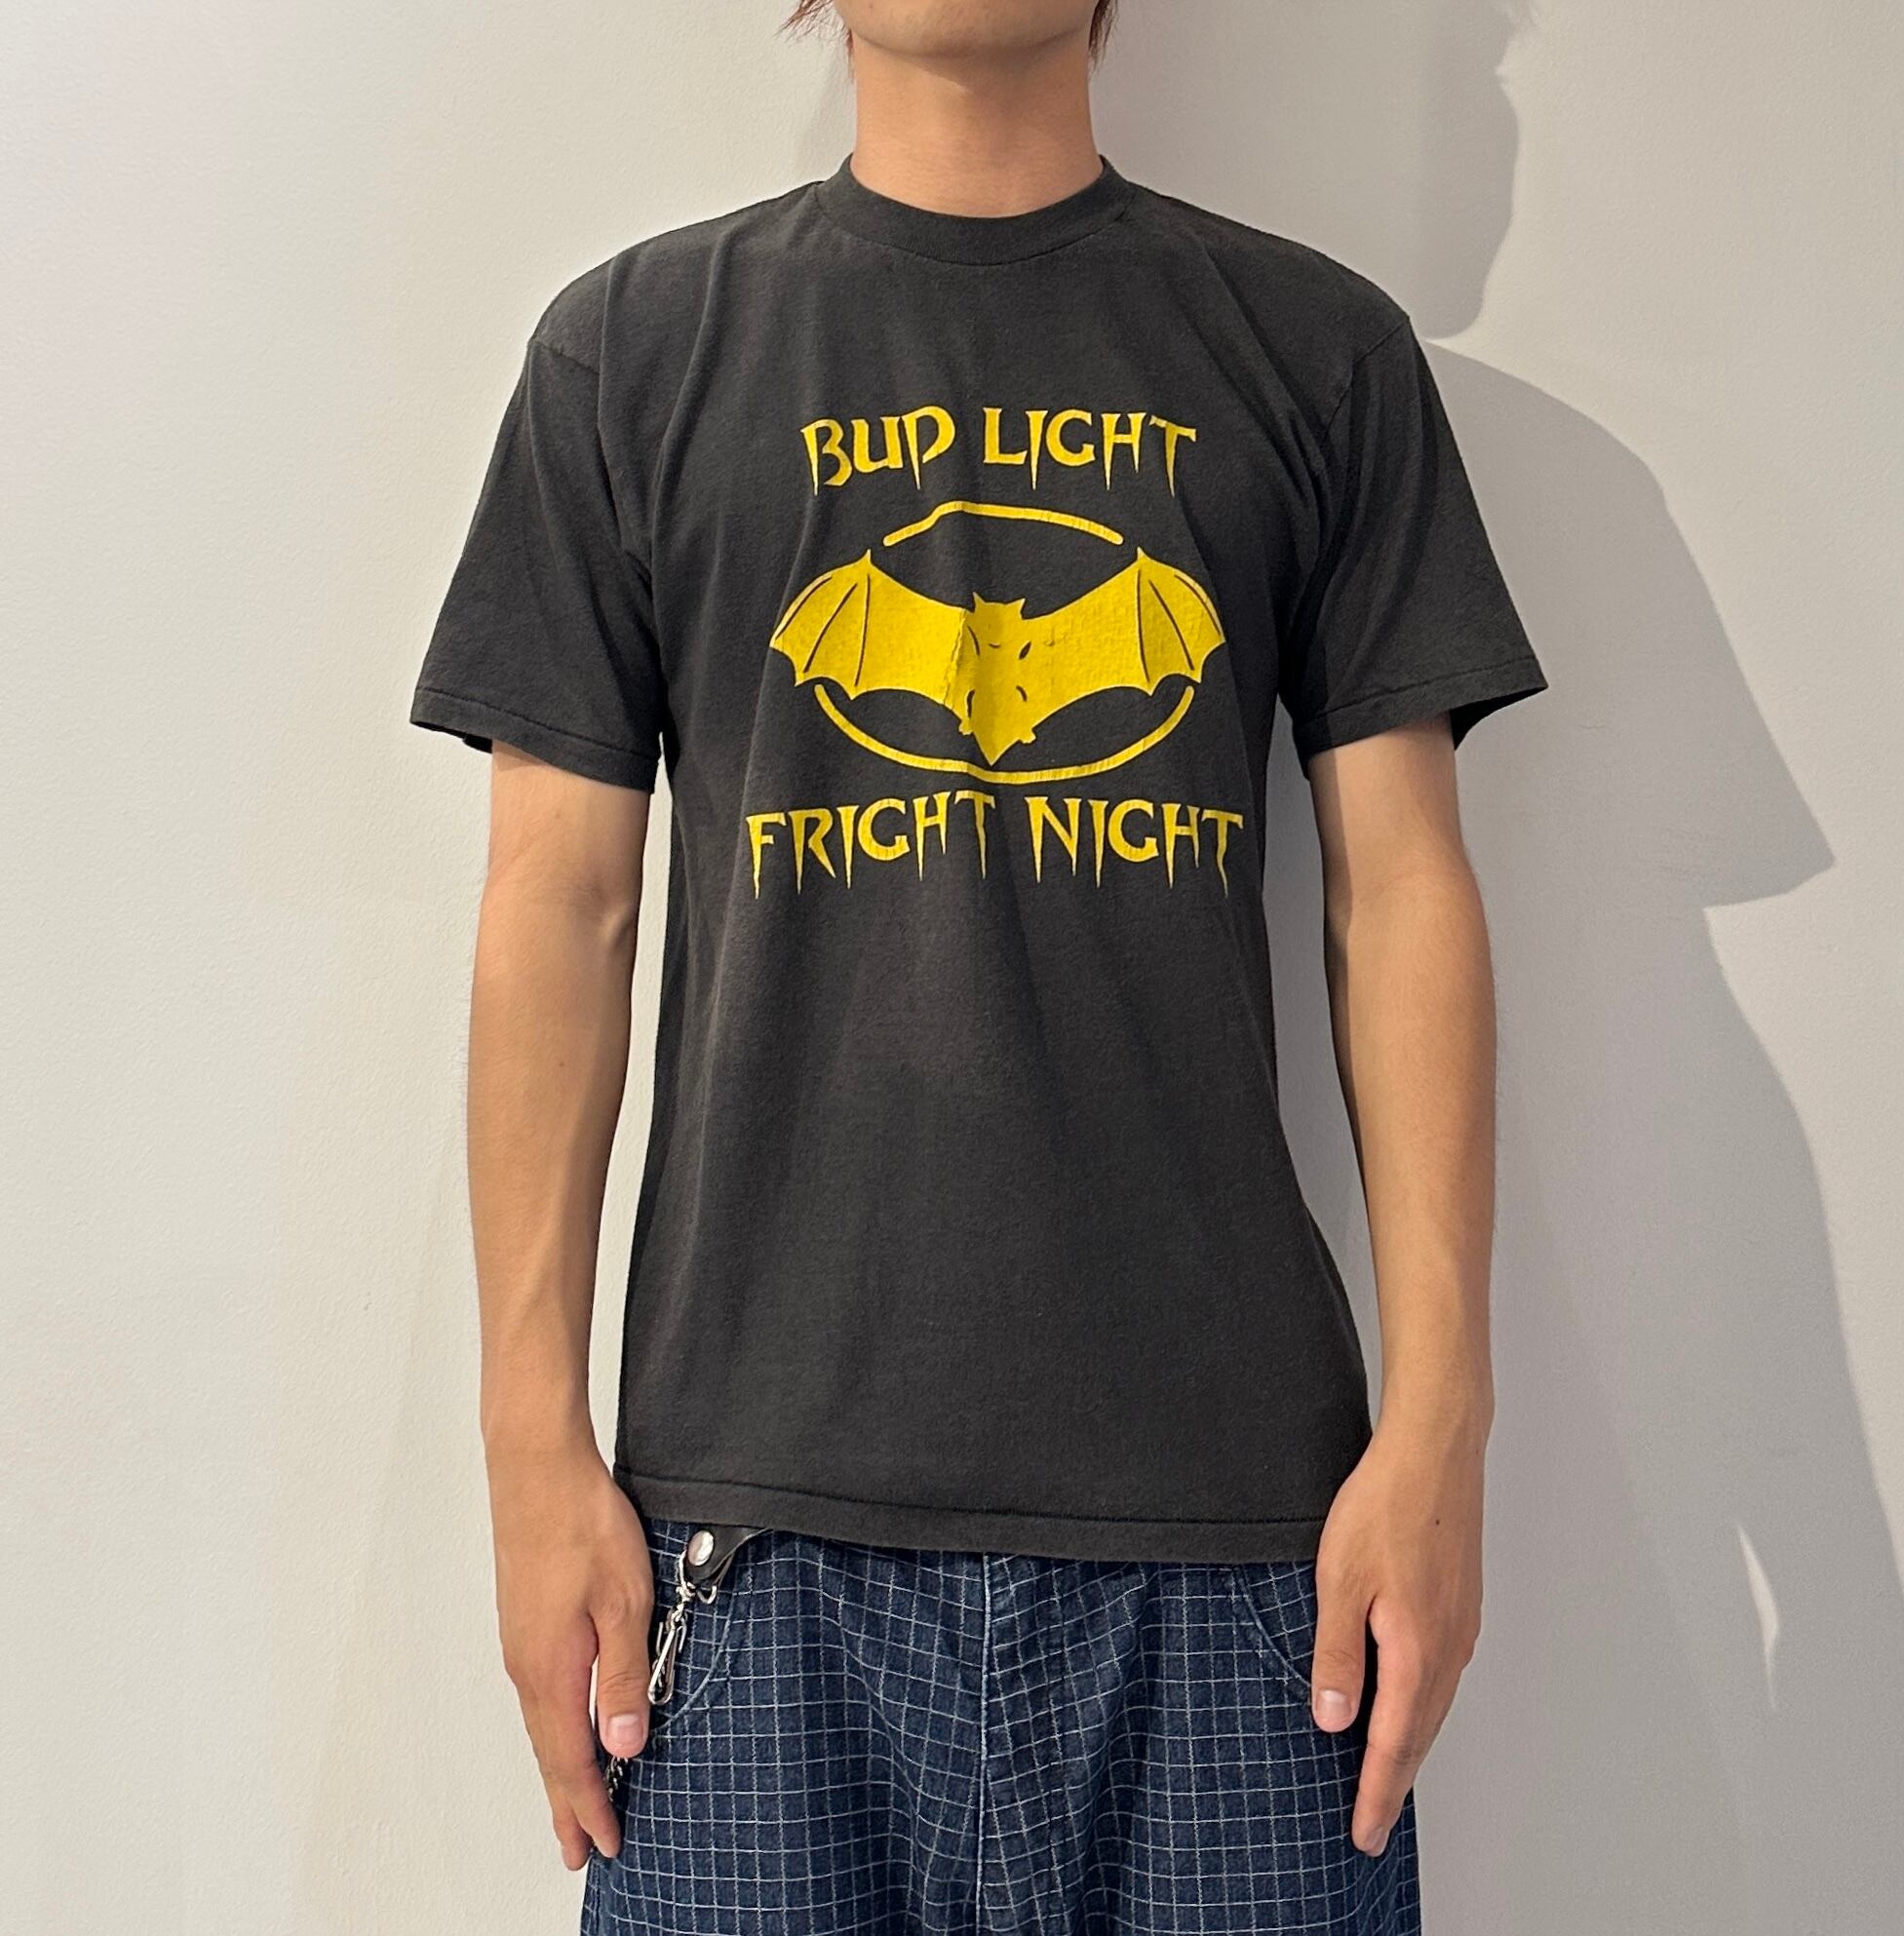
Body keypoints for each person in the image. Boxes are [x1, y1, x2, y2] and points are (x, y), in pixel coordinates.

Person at [410, 2, 1546, 1928]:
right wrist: (533, 1446)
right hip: (751, 1528)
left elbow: (1402, 893)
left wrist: (1444, 1420)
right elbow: (556, 910)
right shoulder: (639, 351)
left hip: (1238, 1532)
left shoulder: (1311, 349)